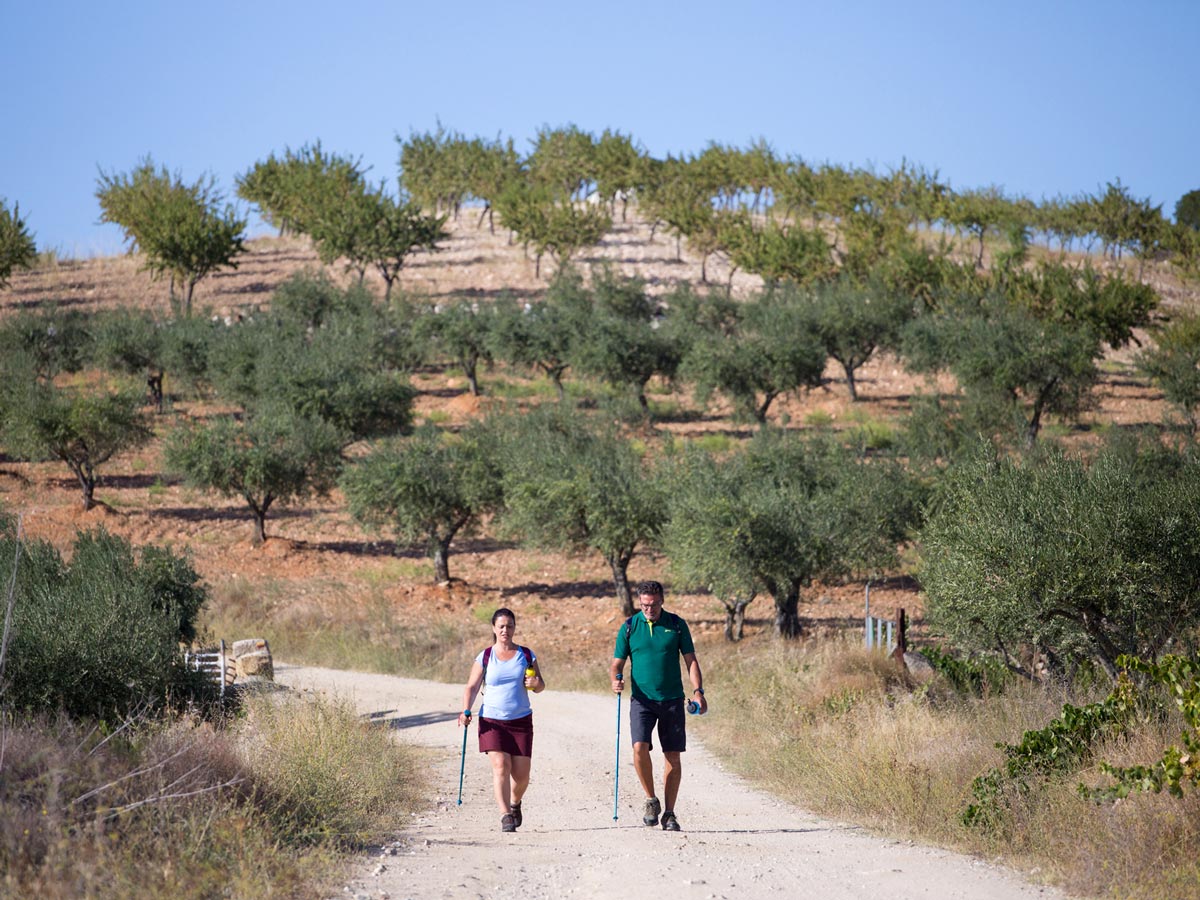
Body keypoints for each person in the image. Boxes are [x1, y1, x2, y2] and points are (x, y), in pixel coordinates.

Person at [610, 580, 706, 832]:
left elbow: (691, 661)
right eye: (643, 605)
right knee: (639, 747)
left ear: (661, 601)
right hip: (641, 700)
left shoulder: (676, 624)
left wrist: (698, 692)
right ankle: (651, 800)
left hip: (672, 699)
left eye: (652, 605)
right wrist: (616, 679)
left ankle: (670, 813)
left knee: (672, 756)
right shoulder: (630, 627)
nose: (648, 610)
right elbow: (616, 664)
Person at [459, 608, 545, 832]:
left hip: (520, 720)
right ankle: (505, 814)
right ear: (494, 629)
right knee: (500, 766)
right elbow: (472, 686)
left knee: (522, 775)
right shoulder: (485, 656)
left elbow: (540, 686)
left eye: (509, 626)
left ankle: (515, 803)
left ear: (515, 628)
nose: (505, 630)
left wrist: (535, 684)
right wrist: (466, 710)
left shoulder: (526, 655)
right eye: (501, 626)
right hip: (492, 720)